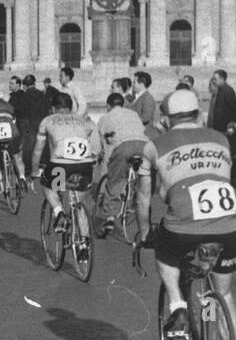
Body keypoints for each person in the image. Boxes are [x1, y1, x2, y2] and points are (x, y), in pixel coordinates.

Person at [136, 89, 236, 340]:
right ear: (199, 114)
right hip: (227, 222)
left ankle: (177, 304)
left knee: (164, 249)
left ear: (166, 119)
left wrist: (144, 232)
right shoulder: (220, 140)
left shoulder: (154, 146)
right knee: (224, 295)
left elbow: (143, 198)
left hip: (184, 222)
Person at [32, 90, 101, 231]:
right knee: (80, 204)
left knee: (47, 183)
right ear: (71, 107)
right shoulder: (83, 120)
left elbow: (38, 149)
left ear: (52, 108)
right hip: (85, 165)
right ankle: (83, 244)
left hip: (61, 166)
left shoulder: (47, 120)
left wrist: (34, 171)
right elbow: (92, 142)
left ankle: (59, 212)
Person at [95, 91, 147, 235]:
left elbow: (103, 146)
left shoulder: (105, 118)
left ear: (107, 106)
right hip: (144, 145)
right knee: (142, 176)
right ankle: (135, 199)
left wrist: (101, 158)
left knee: (114, 179)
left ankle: (110, 217)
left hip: (124, 146)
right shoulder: (133, 114)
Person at [18, 74, 50, 177]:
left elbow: (20, 111)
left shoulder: (23, 96)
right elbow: (46, 108)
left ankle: (30, 168)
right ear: (34, 83)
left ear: (24, 86)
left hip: (29, 123)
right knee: (43, 144)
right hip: (41, 121)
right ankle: (42, 165)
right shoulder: (42, 94)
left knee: (29, 145)